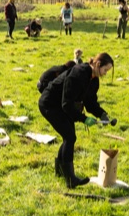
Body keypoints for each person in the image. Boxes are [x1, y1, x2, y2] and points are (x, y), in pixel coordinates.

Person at [38, 53, 115, 188]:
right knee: (69, 137)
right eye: (105, 70)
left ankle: (61, 172)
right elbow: (66, 104)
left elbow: (90, 102)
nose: (105, 74)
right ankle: (70, 179)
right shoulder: (78, 74)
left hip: (62, 105)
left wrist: (102, 114)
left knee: (68, 137)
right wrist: (83, 119)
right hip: (50, 103)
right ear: (97, 64)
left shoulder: (94, 80)